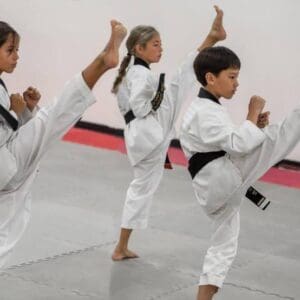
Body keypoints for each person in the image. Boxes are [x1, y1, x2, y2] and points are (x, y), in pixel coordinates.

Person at [180, 34, 300, 300]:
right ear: (211, 78)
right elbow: (238, 143)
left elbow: (228, 140)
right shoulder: (204, 111)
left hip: (216, 187)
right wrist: (252, 112)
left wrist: (253, 124)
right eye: (232, 77)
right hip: (222, 178)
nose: (237, 83)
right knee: (277, 137)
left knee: (223, 247)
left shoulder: (204, 108)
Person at [0, 20, 127, 269]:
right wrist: (14, 114)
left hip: (7, 169)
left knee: (7, 233)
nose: (17, 57)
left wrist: (25, 112)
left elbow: (13, 134)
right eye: (10, 50)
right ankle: (102, 62)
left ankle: (102, 62)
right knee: (53, 117)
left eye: (17, 50)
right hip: (4, 167)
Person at [111, 6, 226, 261]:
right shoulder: (141, 74)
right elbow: (141, 108)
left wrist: (160, 90)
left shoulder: (131, 72)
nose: (160, 48)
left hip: (143, 135)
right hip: (149, 132)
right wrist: (160, 91)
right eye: (155, 44)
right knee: (177, 82)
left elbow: (128, 107)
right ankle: (120, 247)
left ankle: (212, 38)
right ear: (139, 49)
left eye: (160, 44)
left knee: (181, 79)